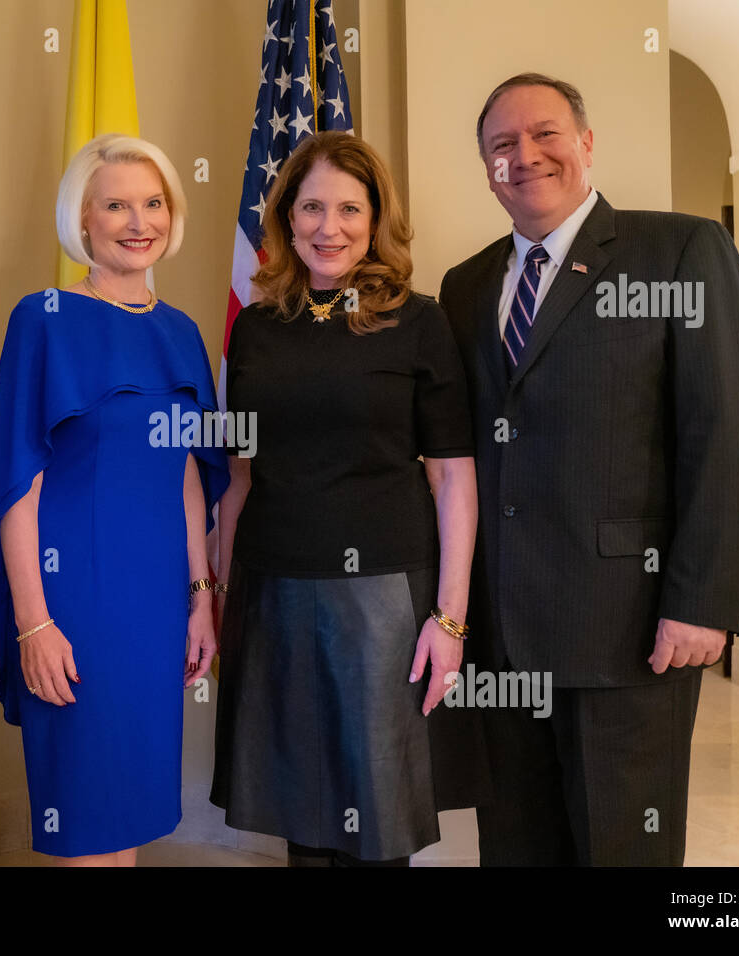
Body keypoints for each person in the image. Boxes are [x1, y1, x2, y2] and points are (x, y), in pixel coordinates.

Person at [439, 73, 739, 866]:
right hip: (503, 640)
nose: (525, 155)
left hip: (627, 630)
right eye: (502, 145)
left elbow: (725, 436)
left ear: (586, 143)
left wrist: (701, 602)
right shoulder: (465, 285)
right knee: (516, 849)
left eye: (545, 134)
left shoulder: (680, 251)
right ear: (487, 168)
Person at [210, 131, 489, 866]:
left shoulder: (420, 320)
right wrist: (218, 596)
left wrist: (451, 620)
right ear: (286, 217)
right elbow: (240, 476)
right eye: (311, 208)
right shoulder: (256, 330)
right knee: (301, 816)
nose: (328, 227)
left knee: (378, 821)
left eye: (348, 209)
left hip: (384, 599)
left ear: (375, 219)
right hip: (273, 590)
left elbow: (454, 477)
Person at [0, 134, 228, 866]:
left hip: (157, 604)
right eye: (116, 205)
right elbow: (16, 484)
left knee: (129, 817)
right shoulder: (43, 318)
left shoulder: (180, 332)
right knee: (85, 819)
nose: (138, 222)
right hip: (73, 598)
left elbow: (187, 476)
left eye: (153, 203)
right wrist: (33, 623)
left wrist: (201, 598)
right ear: (82, 219)